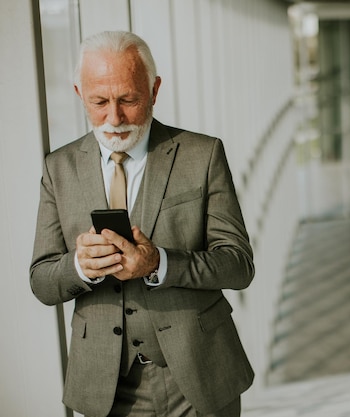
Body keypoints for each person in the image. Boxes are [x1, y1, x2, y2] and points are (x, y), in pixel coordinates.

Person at [30, 30, 254, 417]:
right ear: (79, 94)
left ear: (154, 89)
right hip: (105, 386)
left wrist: (158, 263)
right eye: (99, 101)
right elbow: (42, 280)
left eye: (128, 100)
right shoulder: (58, 168)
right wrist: (81, 266)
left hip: (199, 374)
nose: (114, 118)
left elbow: (238, 264)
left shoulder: (203, 155)